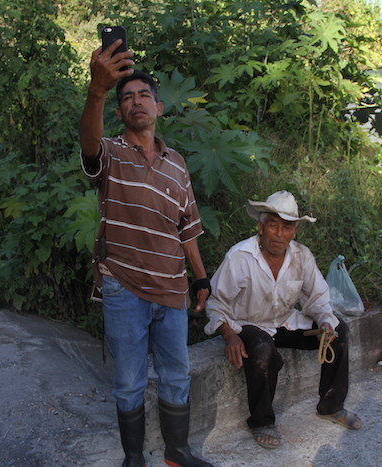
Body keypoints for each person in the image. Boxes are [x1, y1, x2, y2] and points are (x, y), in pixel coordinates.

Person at [79, 37, 212, 467]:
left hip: (172, 289)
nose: (136, 102)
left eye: (144, 96)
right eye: (127, 98)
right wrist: (97, 90)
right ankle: (133, 458)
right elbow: (88, 143)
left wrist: (202, 278)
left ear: (158, 107)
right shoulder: (111, 154)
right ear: (119, 112)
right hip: (124, 287)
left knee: (176, 374)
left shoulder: (177, 164)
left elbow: (187, 228)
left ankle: (177, 453)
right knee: (130, 380)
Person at [204, 191, 362, 449]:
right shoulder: (240, 256)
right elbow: (215, 302)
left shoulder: (302, 256)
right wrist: (229, 334)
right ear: (260, 227)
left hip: (284, 322)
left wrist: (324, 322)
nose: (278, 234)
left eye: (286, 227)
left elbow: (318, 297)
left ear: (295, 231)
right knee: (262, 347)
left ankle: (331, 406)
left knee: (338, 330)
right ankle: (262, 421)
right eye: (272, 225)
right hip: (248, 324)